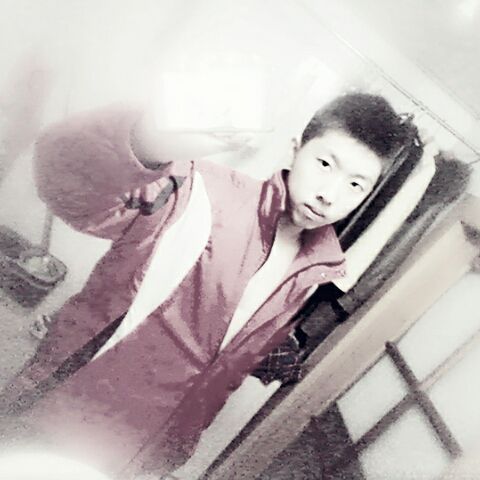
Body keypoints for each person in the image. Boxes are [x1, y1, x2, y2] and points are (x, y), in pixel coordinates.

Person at [0, 93, 412, 478]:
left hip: (139, 459)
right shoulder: (201, 190)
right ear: (295, 149)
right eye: (325, 164)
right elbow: (69, 186)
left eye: (355, 185)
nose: (329, 195)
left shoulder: (313, 270)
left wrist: (171, 453)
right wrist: (144, 141)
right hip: (59, 416)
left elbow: (226, 373)